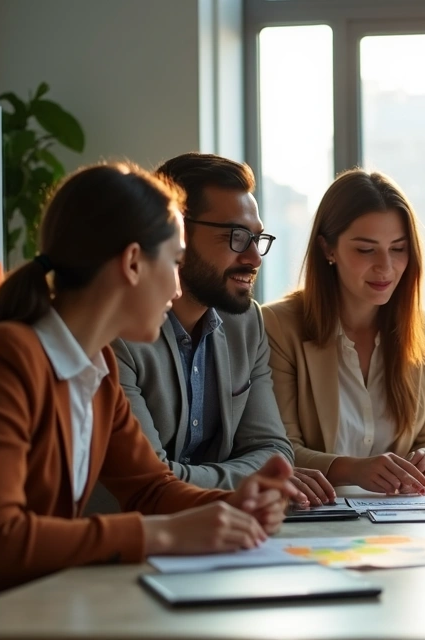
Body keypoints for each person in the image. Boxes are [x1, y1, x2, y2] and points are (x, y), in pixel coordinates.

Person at [0, 163, 300, 625]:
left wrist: (236, 505)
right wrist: (163, 536)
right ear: (131, 263)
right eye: (173, 262)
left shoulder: (97, 365)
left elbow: (151, 489)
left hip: (31, 613)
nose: (176, 286)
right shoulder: (4, 359)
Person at [95, 153, 334, 508]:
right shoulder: (117, 332)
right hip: (121, 544)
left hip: (217, 536)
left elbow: (274, 451)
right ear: (176, 231)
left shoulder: (246, 322)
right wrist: (253, 478)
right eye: (237, 236)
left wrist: (251, 475)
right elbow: (151, 482)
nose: (254, 258)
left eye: (257, 238)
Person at [264, 169, 425, 495]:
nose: (385, 266)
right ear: (328, 249)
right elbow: (277, 450)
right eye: (366, 250)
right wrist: (352, 470)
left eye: (398, 248)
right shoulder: (278, 327)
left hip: (400, 519)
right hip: (317, 515)